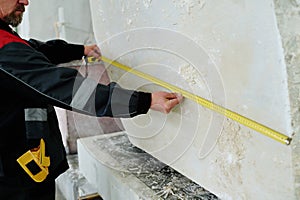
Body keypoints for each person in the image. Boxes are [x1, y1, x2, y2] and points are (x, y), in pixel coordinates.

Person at [0, 0, 183, 199]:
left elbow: (32, 49)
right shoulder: (4, 50)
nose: (25, 1)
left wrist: (81, 50)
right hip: (14, 179)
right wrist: (144, 101)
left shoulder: (7, 41)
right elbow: (71, 90)